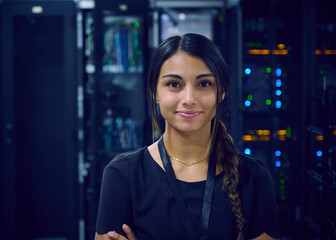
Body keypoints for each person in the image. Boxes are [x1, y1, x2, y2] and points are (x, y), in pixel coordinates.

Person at [94, 33, 280, 240]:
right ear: (155, 92)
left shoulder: (253, 176)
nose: (189, 99)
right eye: (174, 84)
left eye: (204, 84)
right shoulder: (123, 174)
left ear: (221, 92)